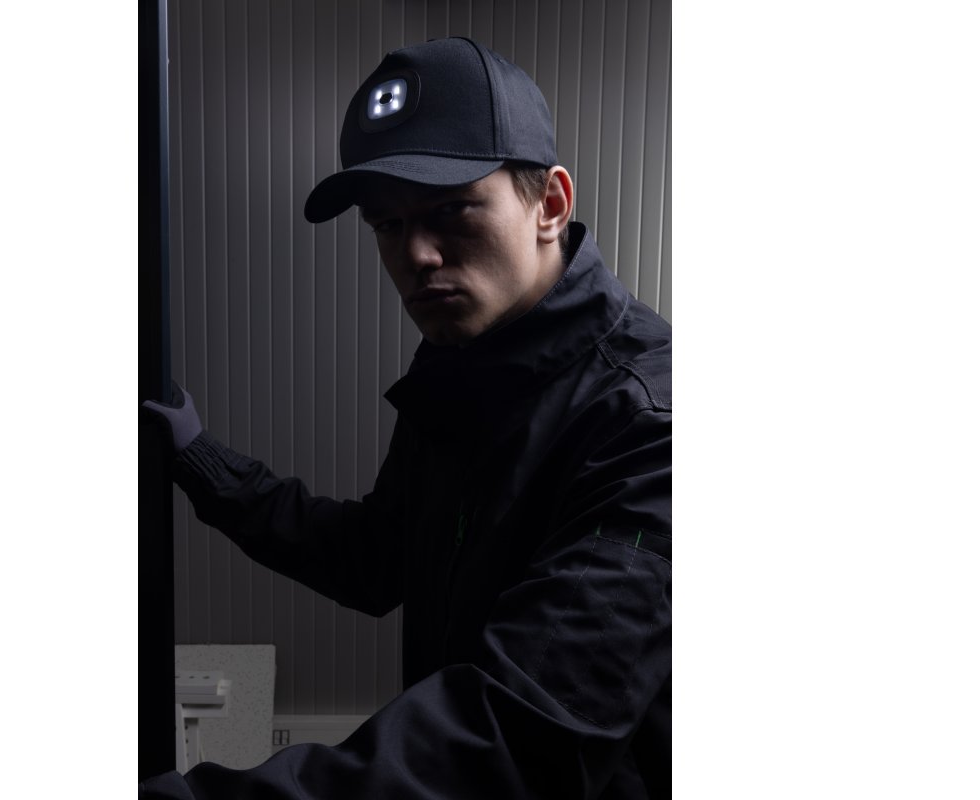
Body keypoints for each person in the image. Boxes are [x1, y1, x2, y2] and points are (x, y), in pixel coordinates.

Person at [141, 36, 671, 799]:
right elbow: (375, 559)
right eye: (386, 224)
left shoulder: (651, 426)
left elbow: (516, 734)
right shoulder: (460, 369)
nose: (416, 254)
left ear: (550, 205)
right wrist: (202, 461)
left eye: (452, 210)